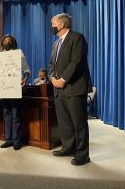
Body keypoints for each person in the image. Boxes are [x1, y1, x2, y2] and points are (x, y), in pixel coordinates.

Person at [49, 13, 92, 166]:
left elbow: (77, 62)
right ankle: (68, 148)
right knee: (65, 122)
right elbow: (51, 65)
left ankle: (82, 154)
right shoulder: (55, 44)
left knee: (79, 123)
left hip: (75, 87)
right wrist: (52, 78)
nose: (51, 26)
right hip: (59, 90)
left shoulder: (77, 38)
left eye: (53, 23)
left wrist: (63, 79)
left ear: (61, 24)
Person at [0, 35, 30, 150]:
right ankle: (8, 139)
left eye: (9, 41)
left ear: (13, 43)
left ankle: (17, 141)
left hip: (15, 87)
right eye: (5, 41)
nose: (6, 42)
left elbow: (26, 70)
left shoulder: (18, 53)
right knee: (6, 114)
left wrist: (24, 80)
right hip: (3, 88)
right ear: (2, 43)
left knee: (15, 114)